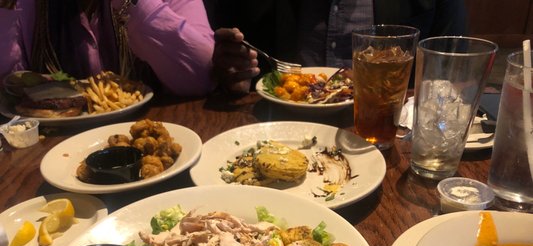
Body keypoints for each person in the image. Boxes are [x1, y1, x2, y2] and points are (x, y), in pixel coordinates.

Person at [205, 0, 468, 94]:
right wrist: (231, 76)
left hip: (391, 132)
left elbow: (455, 70)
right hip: (281, 126)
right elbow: (228, 62)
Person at [0, 0, 215, 96]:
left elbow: (203, 77)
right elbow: (9, 91)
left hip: (159, 145)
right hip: (52, 162)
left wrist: (132, 3)